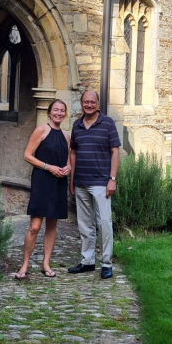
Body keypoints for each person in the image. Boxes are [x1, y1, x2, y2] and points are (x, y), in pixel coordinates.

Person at [15, 99, 71, 279]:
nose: (59, 113)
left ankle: (46, 263)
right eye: (56, 110)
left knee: (52, 225)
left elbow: (68, 158)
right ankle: (24, 265)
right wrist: (48, 167)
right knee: (34, 226)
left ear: (65, 114)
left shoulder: (66, 136)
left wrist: (68, 167)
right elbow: (27, 155)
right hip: (42, 181)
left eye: (62, 111)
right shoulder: (41, 130)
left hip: (59, 182)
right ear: (49, 112)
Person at [68, 90, 120, 279]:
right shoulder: (77, 125)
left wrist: (112, 179)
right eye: (85, 102)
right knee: (84, 225)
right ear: (81, 103)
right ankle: (87, 261)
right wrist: (72, 180)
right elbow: (73, 153)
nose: (89, 105)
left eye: (92, 102)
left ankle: (106, 264)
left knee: (104, 223)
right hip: (81, 181)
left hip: (101, 182)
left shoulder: (107, 123)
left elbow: (115, 152)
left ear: (97, 103)